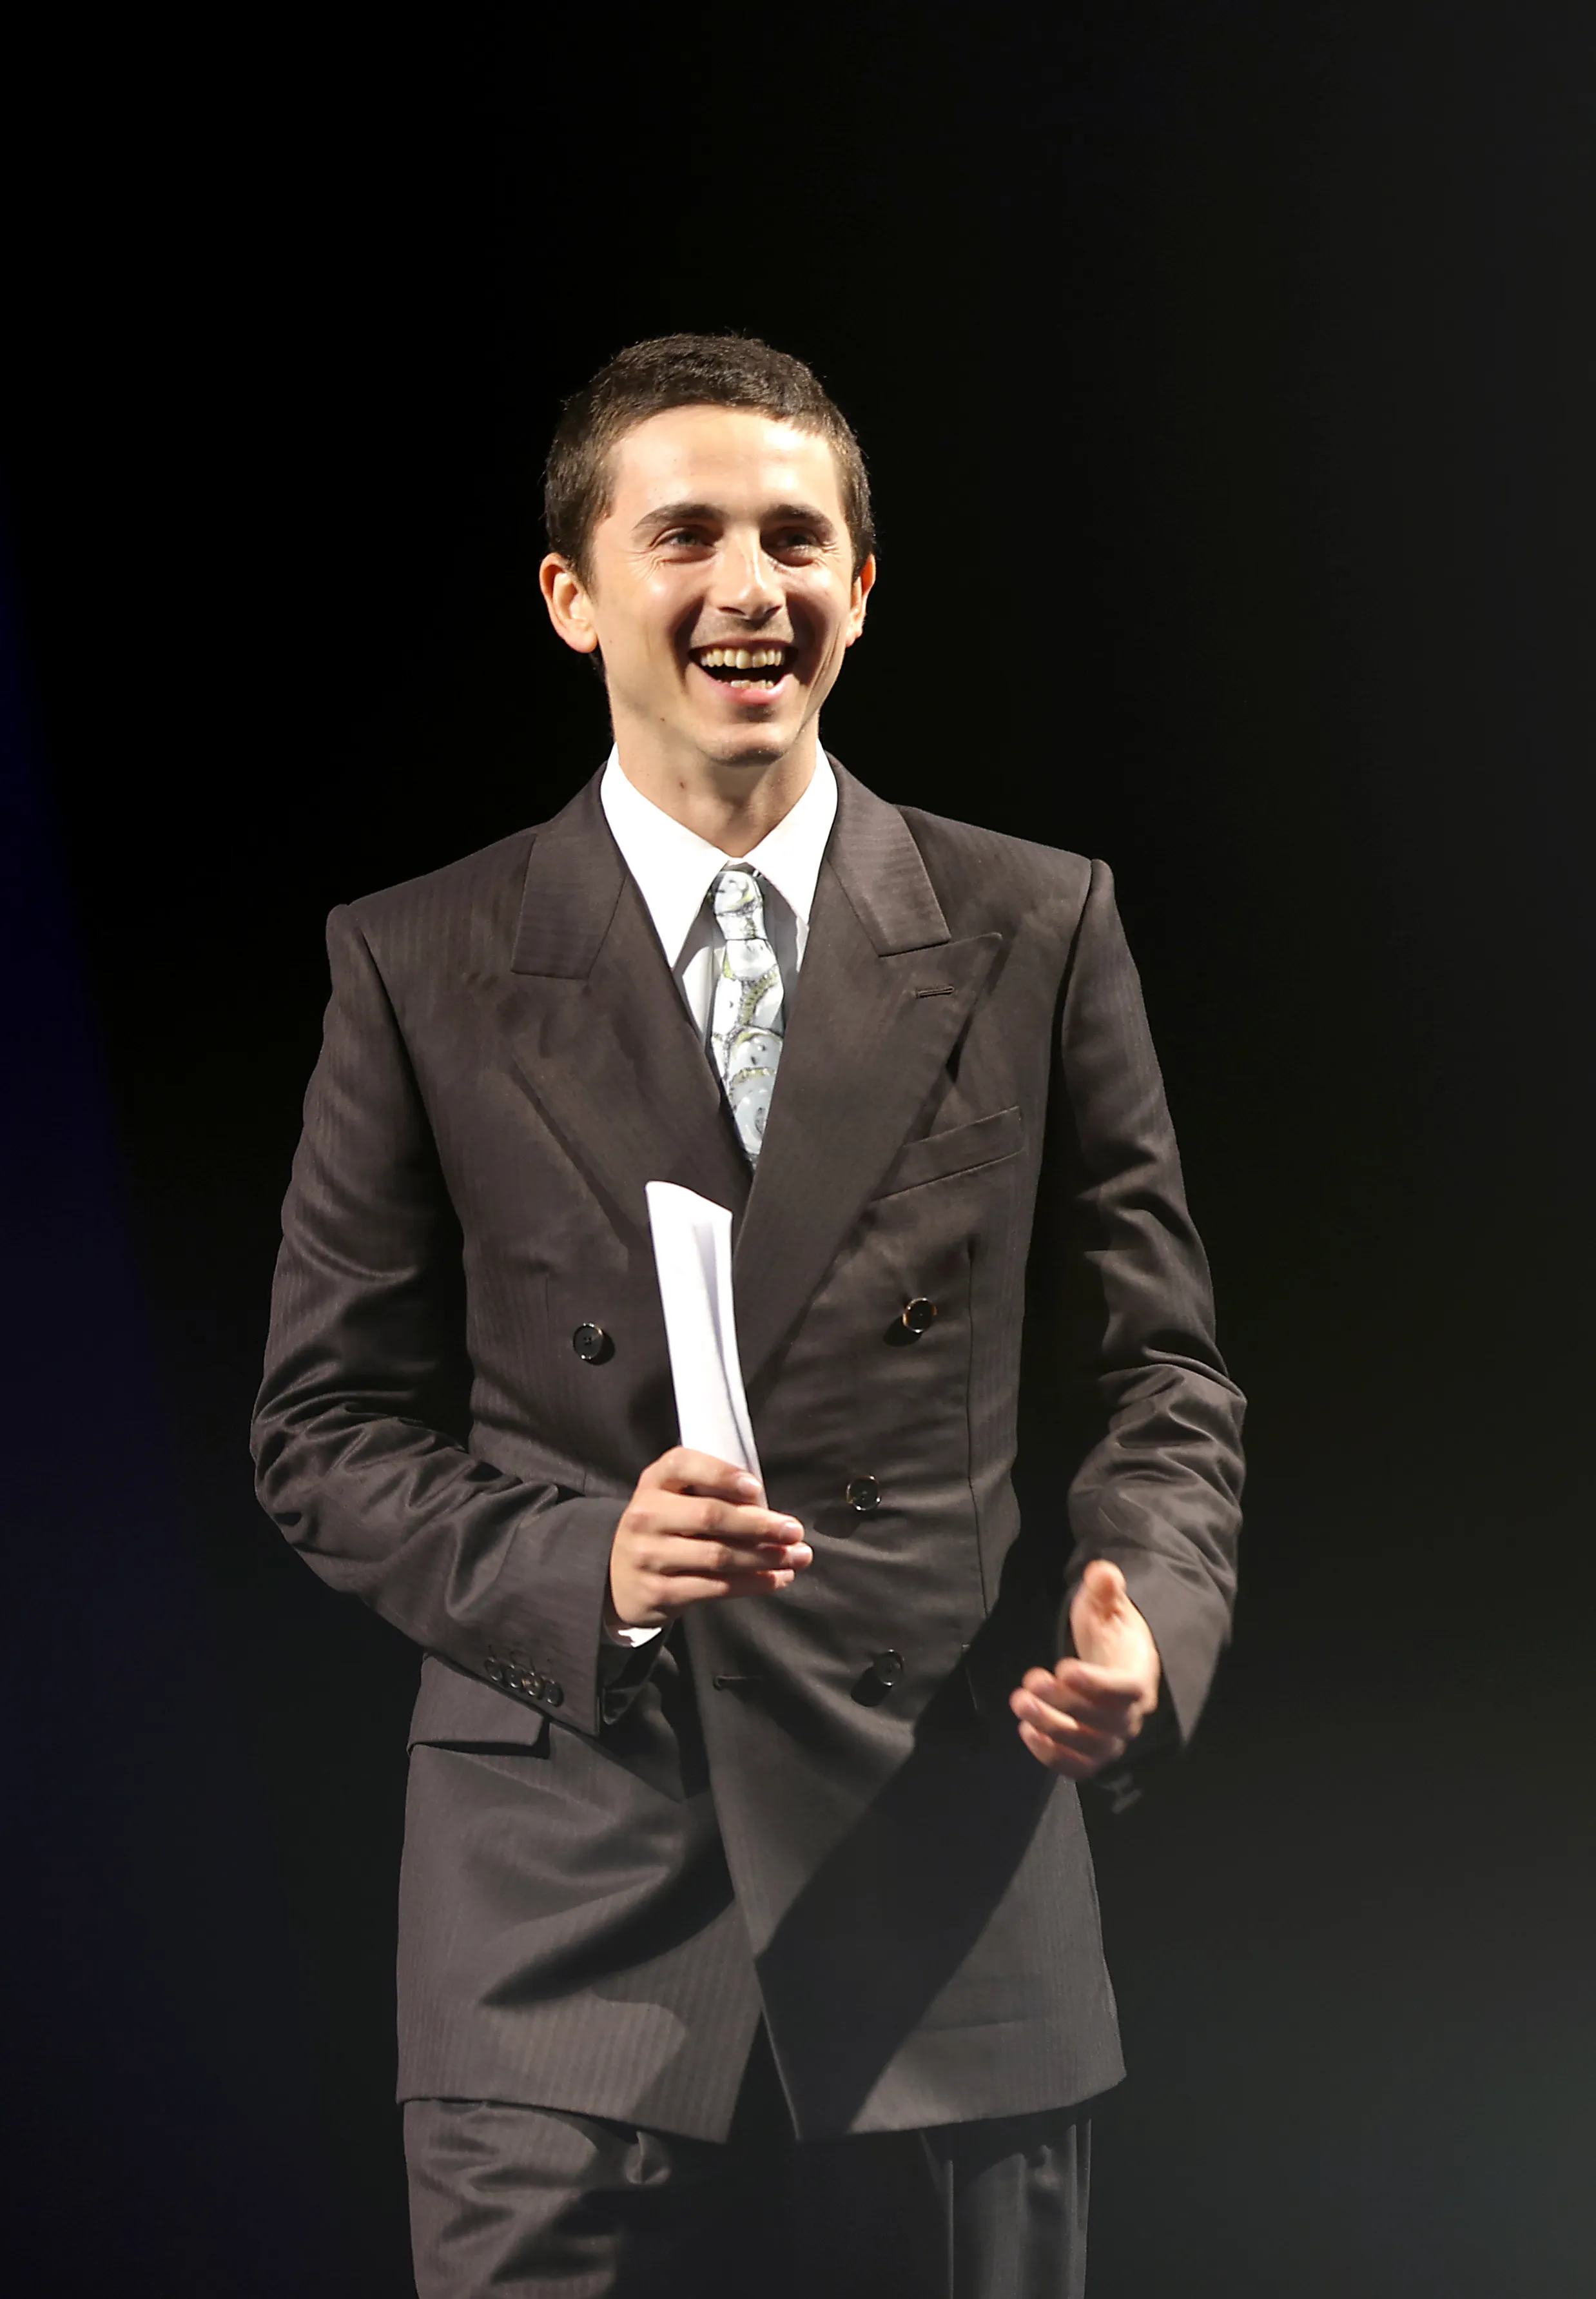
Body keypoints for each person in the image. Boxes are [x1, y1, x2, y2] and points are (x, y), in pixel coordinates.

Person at [251, 333, 1245, 2298]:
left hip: (943, 1897)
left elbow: (1160, 1369)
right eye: (683, 533)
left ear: (860, 587)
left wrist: (1147, 1609)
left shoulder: (1034, 925)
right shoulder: (421, 957)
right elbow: (320, 1430)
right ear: (572, 593)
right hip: (565, 1941)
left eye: (797, 538)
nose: (747, 587)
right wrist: (589, 1564)